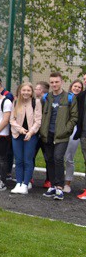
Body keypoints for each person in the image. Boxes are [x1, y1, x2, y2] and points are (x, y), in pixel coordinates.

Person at [40, 72, 77, 201]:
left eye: (56, 82)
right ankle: (52, 186)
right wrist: (42, 130)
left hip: (62, 135)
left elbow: (74, 117)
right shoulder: (46, 97)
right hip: (47, 133)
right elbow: (42, 115)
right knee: (49, 158)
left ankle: (59, 188)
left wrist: (66, 130)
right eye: (52, 82)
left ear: (61, 82)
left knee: (58, 158)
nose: (54, 84)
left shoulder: (69, 97)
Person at [9, 82, 42, 195]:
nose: (26, 92)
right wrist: (20, 129)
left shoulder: (36, 102)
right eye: (24, 90)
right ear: (20, 91)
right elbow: (12, 120)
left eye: (28, 90)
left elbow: (38, 121)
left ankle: (25, 184)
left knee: (27, 160)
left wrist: (31, 132)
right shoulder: (15, 102)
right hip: (17, 134)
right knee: (18, 160)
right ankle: (18, 182)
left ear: (32, 92)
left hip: (30, 135)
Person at [63, 80, 83, 193]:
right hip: (62, 129)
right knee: (58, 156)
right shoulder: (65, 97)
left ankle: (67, 183)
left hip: (75, 130)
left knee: (69, 158)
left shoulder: (82, 100)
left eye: (79, 87)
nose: (77, 88)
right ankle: (57, 182)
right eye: (75, 86)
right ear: (71, 87)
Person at [35, 81, 51, 189]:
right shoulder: (33, 101)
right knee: (30, 156)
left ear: (41, 90)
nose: (35, 90)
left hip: (46, 135)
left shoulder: (48, 101)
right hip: (35, 134)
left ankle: (49, 180)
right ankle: (29, 178)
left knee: (48, 158)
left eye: (36, 88)